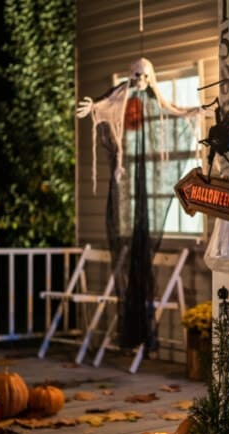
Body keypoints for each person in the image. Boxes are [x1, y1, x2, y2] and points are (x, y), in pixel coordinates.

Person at [76, 57, 197, 350]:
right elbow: (106, 103)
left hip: (143, 173)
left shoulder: (152, 99)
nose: (140, 80)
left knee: (142, 243)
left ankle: (141, 331)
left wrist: (194, 111)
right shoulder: (124, 95)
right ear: (131, 76)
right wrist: (93, 107)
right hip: (127, 168)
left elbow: (172, 109)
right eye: (136, 75)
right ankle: (133, 329)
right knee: (127, 232)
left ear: (150, 77)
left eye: (144, 76)